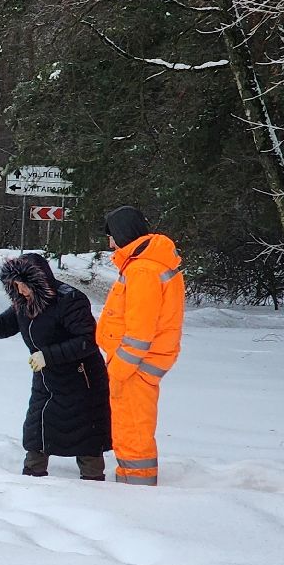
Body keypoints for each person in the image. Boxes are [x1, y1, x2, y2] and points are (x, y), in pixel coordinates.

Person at [0, 252, 111, 480]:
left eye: (24, 286)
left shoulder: (69, 300)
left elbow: (88, 340)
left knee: (86, 434)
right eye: (15, 286)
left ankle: (93, 481)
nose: (21, 291)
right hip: (46, 378)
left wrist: (48, 356)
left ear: (38, 281)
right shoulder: (23, 304)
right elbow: (2, 328)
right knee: (37, 429)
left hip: (82, 380)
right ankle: (32, 478)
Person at [95, 205, 184, 486]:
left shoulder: (143, 270)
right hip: (137, 364)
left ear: (123, 233)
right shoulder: (142, 263)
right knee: (130, 429)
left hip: (134, 366)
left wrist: (120, 368)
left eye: (111, 235)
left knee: (132, 431)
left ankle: (136, 493)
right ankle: (133, 484)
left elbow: (140, 329)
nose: (109, 243)